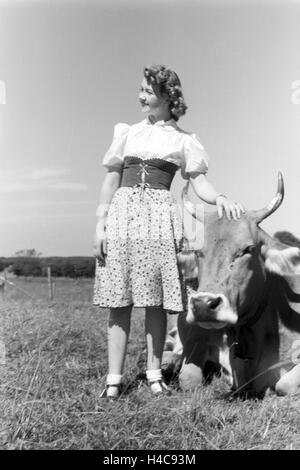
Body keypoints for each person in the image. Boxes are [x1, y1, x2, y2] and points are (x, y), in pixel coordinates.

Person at [93, 64, 244, 399]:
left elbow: (198, 181)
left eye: (146, 90)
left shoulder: (184, 140)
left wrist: (219, 197)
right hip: (122, 216)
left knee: (156, 302)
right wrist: (100, 224)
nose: (140, 96)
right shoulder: (127, 132)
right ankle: (114, 380)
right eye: (141, 89)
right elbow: (111, 178)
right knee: (119, 299)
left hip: (160, 218)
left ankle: (154, 375)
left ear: (166, 95)